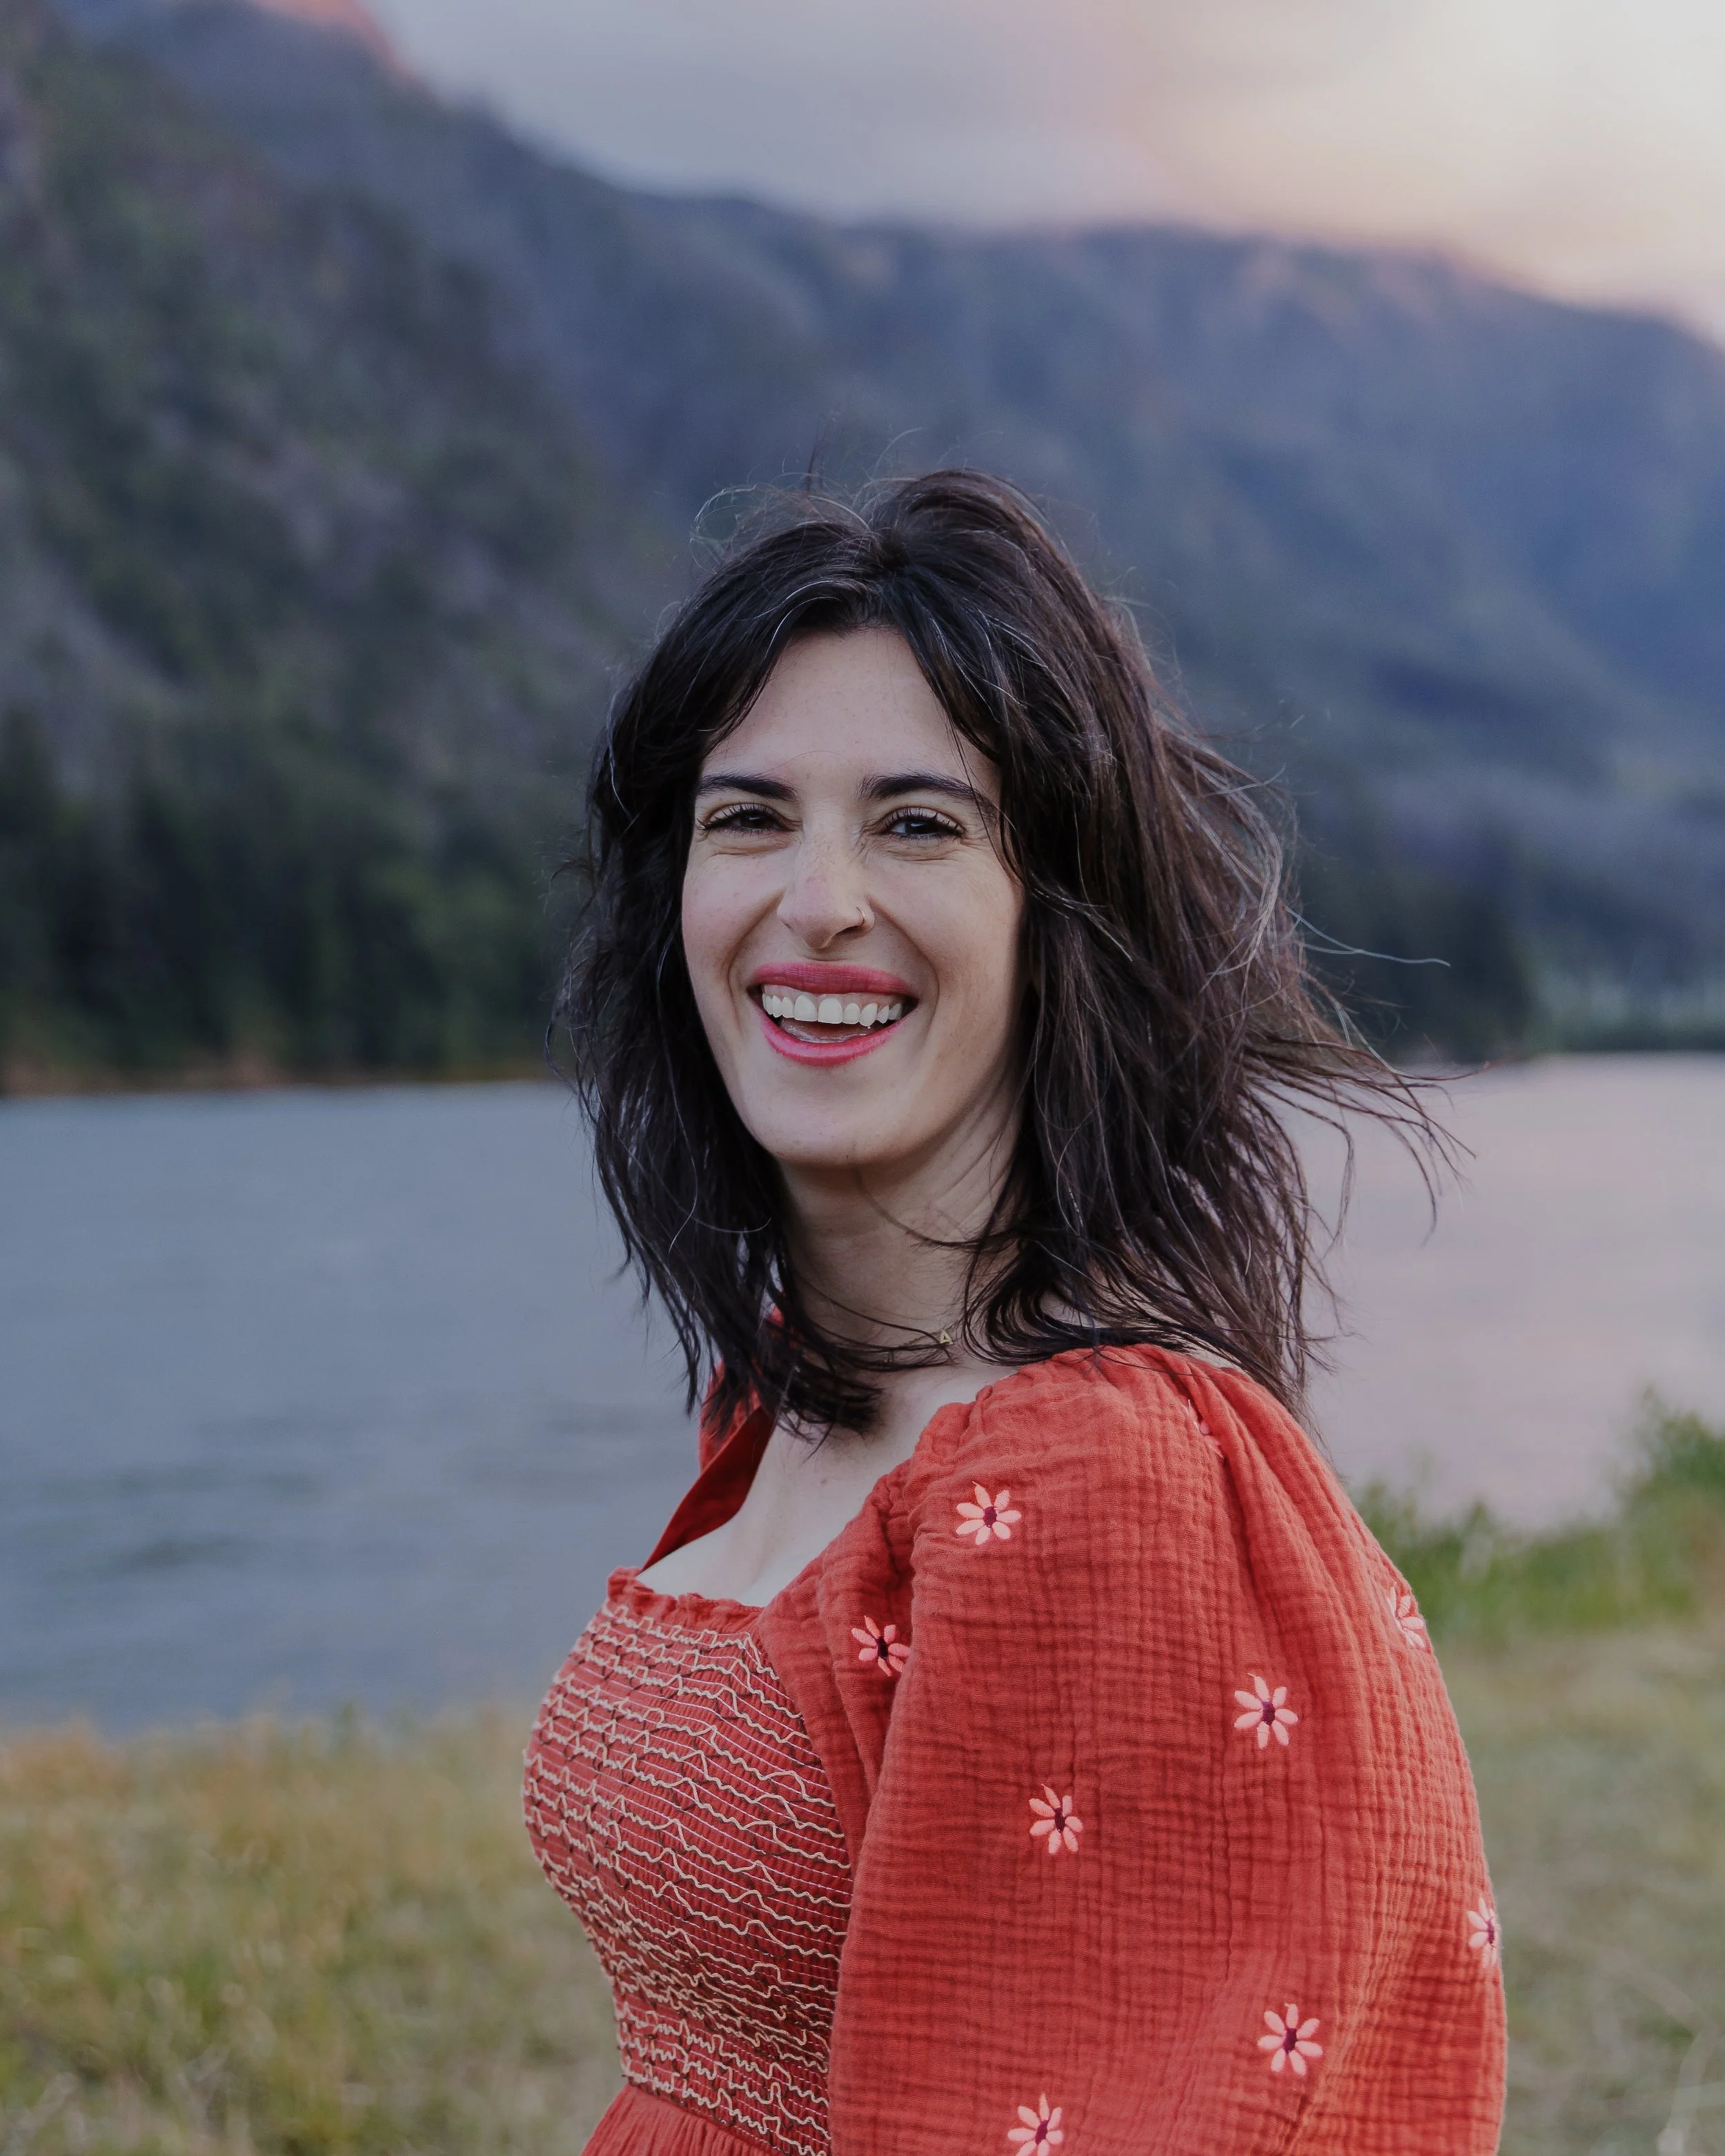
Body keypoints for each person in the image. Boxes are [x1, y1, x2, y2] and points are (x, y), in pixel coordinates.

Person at [524, 471, 1506, 2156]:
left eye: (916, 823)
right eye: (746, 817)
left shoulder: (1094, 1472)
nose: (815, 898)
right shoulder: (788, 1405)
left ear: (1055, 919)